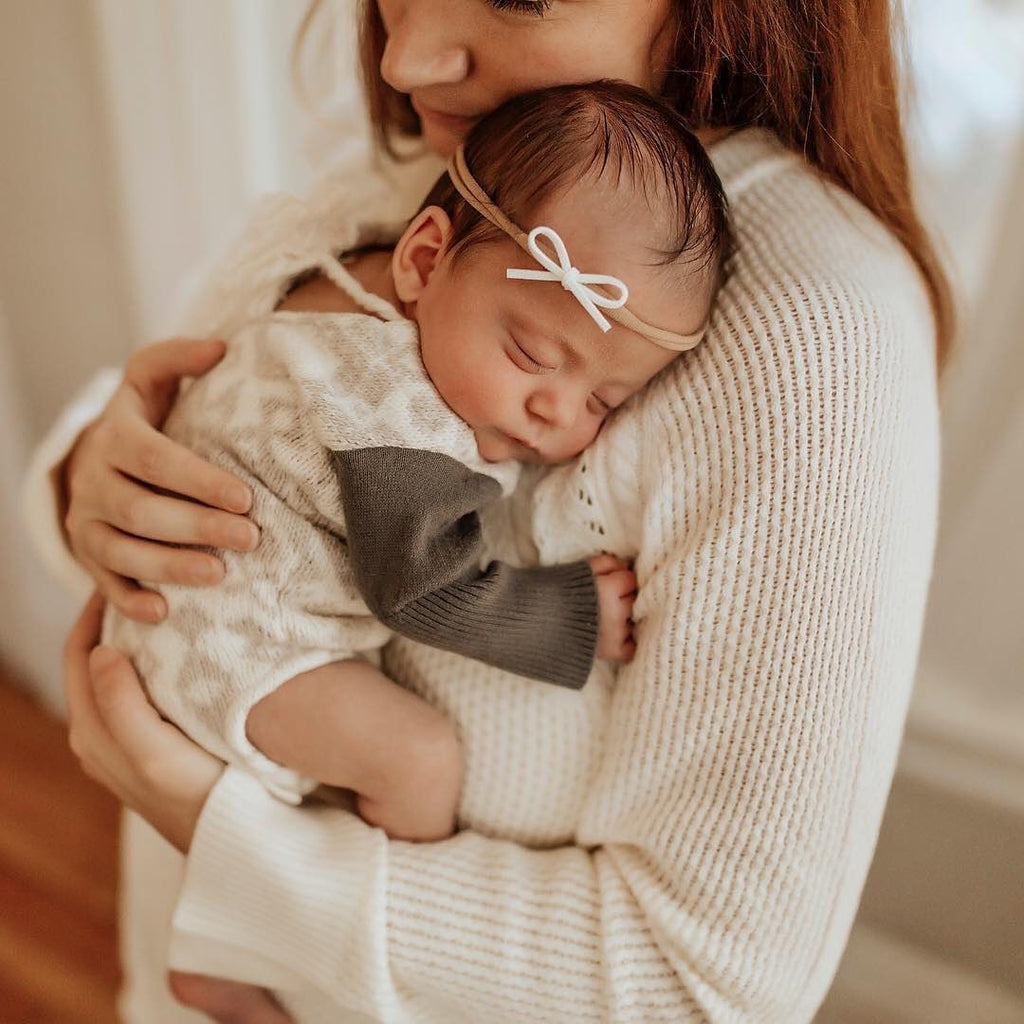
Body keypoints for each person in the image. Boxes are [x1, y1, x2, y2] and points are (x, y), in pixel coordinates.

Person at [33, 0, 950, 1020]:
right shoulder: (414, 174)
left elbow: (704, 986)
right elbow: (204, 403)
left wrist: (238, 854)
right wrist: (88, 477)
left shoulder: (810, 342)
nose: (404, 55)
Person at [102, 81, 729, 837]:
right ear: (424, 259)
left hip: (180, 618)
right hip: (230, 639)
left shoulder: (346, 279)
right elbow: (424, 588)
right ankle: (356, 933)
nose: (558, 413)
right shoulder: (393, 406)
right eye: (531, 353)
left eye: (604, 400)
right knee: (420, 757)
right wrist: (574, 615)